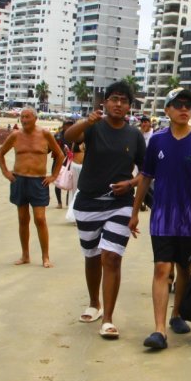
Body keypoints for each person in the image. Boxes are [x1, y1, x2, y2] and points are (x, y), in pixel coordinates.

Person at [129, 88, 191, 350]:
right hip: (162, 217)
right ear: (167, 109)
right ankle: (159, 330)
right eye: (178, 104)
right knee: (162, 268)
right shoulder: (157, 141)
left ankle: (176, 313)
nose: (184, 109)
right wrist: (135, 212)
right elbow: (145, 178)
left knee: (184, 268)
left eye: (188, 105)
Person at [63, 81, 145, 339]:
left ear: (130, 107)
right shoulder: (93, 127)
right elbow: (68, 138)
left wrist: (130, 183)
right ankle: (94, 303)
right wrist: (87, 122)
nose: (118, 104)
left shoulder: (134, 135)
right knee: (92, 255)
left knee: (111, 256)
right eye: (114, 99)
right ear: (105, 102)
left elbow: (146, 172)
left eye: (124, 100)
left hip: (119, 204)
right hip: (87, 202)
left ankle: (108, 318)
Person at [0, 108, 65, 268]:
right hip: (19, 180)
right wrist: (6, 172)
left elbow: (60, 155)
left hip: (38, 181)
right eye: (22, 117)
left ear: (35, 118)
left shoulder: (45, 134)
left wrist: (53, 176)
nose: (24, 120)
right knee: (23, 218)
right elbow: (0, 153)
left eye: (27, 117)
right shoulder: (15, 135)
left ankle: (45, 257)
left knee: (40, 219)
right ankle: (25, 255)